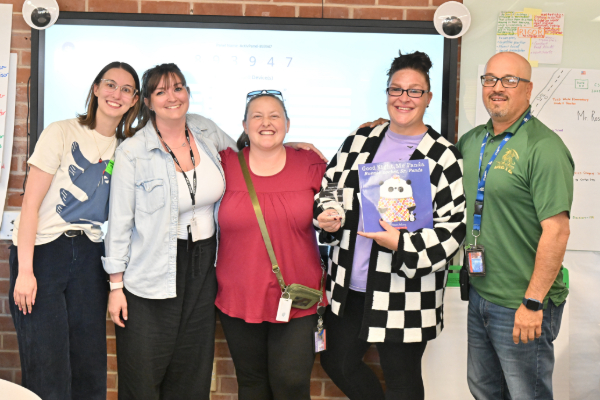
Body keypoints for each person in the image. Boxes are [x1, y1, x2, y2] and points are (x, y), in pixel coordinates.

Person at [103, 64, 324, 400]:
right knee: (144, 370)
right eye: (161, 91)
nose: (172, 97)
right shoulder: (132, 152)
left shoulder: (204, 132)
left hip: (205, 264)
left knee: (192, 368)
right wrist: (116, 286)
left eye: (178, 88)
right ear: (147, 101)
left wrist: (289, 143)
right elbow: (119, 223)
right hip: (152, 267)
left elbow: (252, 153)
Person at [314, 51, 466, 400]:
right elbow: (329, 189)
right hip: (349, 285)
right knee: (337, 362)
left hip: (406, 290)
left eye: (415, 91)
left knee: (402, 379)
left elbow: (451, 230)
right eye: (396, 89)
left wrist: (401, 244)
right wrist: (328, 216)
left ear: (428, 98)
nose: (404, 98)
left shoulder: (442, 155)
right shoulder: (359, 142)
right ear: (386, 94)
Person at [8, 62, 141, 400]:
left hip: (89, 256)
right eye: (110, 85)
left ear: (135, 99)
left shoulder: (128, 149)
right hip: (43, 253)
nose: (117, 94)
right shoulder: (62, 131)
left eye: (126, 89)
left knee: (89, 363)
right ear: (96, 89)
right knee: (46, 364)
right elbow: (30, 205)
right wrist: (25, 271)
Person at [456, 51, 573, 400]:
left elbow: (557, 230)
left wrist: (533, 303)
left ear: (528, 89)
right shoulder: (472, 141)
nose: (497, 88)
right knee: (485, 391)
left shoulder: (544, 147)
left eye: (510, 80)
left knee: (527, 395)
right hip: (481, 294)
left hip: (522, 303)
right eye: (490, 79)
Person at [215, 91, 326, 400]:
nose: (266, 122)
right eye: (257, 116)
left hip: (298, 296)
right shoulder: (224, 164)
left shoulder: (310, 163)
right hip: (239, 296)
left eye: (275, 116)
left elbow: (336, 207)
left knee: (291, 384)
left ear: (288, 125)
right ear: (244, 124)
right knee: (251, 385)